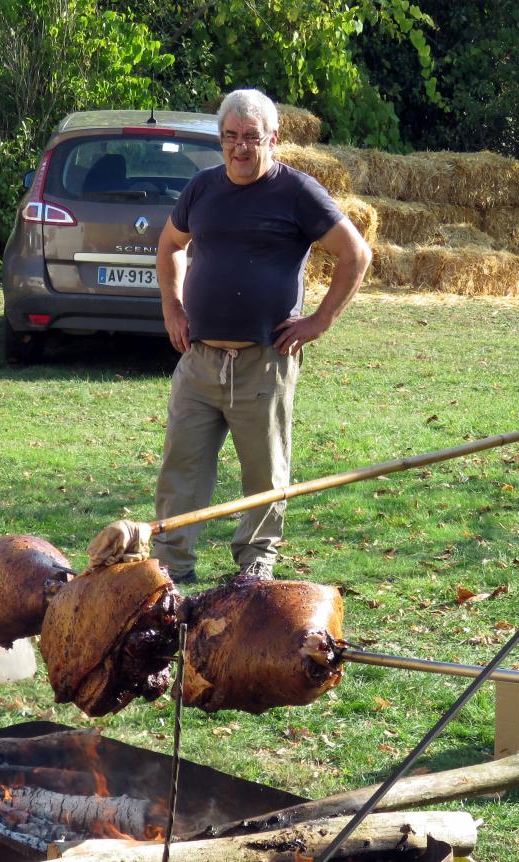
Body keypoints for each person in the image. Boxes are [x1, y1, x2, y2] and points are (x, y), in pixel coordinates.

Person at [151, 88, 372, 585]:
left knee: (264, 476)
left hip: (263, 362)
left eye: (252, 138)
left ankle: (254, 568)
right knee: (180, 470)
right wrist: (173, 306)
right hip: (200, 361)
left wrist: (319, 322)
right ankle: (171, 567)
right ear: (220, 139)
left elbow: (355, 254)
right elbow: (169, 245)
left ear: (274, 139)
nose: (240, 148)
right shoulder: (202, 189)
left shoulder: (297, 192)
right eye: (230, 137)